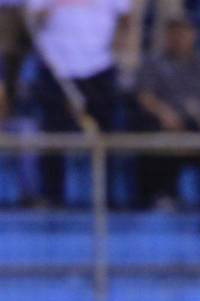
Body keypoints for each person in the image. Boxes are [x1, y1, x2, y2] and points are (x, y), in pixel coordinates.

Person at [27, 0, 131, 206]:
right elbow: (33, 18)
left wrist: (120, 50)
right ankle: (53, 197)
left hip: (99, 65)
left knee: (105, 135)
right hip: (55, 66)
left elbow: (126, 18)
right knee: (53, 133)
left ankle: (106, 197)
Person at [135, 16, 200, 209]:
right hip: (166, 122)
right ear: (167, 36)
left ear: (193, 36)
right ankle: (164, 195)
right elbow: (145, 97)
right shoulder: (153, 63)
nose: (179, 38)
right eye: (175, 33)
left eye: (184, 33)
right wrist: (164, 113)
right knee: (158, 137)